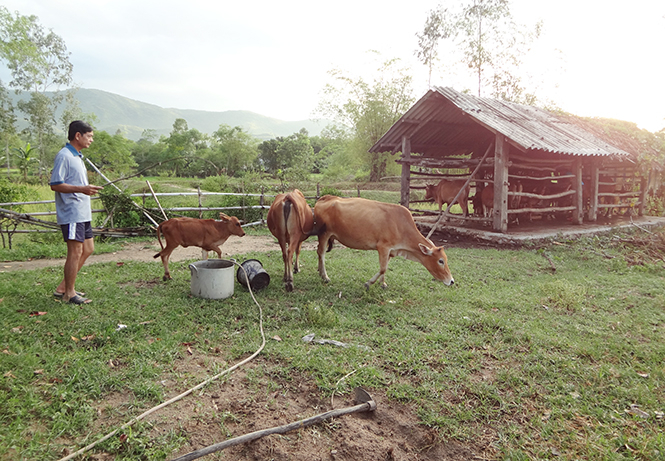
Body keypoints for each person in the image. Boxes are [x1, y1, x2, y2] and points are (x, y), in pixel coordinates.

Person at [49, 121, 103, 304]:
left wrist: (85, 189)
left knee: (88, 249)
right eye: (89, 136)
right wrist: (82, 189)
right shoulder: (64, 156)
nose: (92, 140)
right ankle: (69, 294)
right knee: (75, 251)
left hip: (82, 212)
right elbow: (55, 184)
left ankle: (63, 287)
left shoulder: (77, 156)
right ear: (77, 135)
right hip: (72, 213)